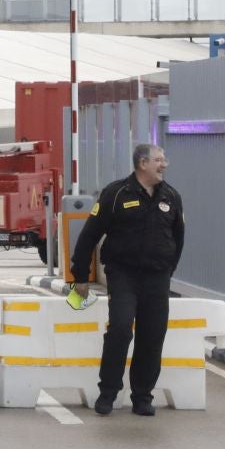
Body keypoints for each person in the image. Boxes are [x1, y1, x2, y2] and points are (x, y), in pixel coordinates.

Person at [68, 144, 185, 417]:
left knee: (152, 336)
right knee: (120, 328)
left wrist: (169, 269)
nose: (164, 164)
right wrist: (80, 277)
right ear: (143, 163)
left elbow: (178, 238)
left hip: (157, 277)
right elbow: (89, 236)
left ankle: (142, 397)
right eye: (159, 160)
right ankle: (108, 392)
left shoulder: (171, 196)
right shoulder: (117, 193)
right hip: (124, 275)